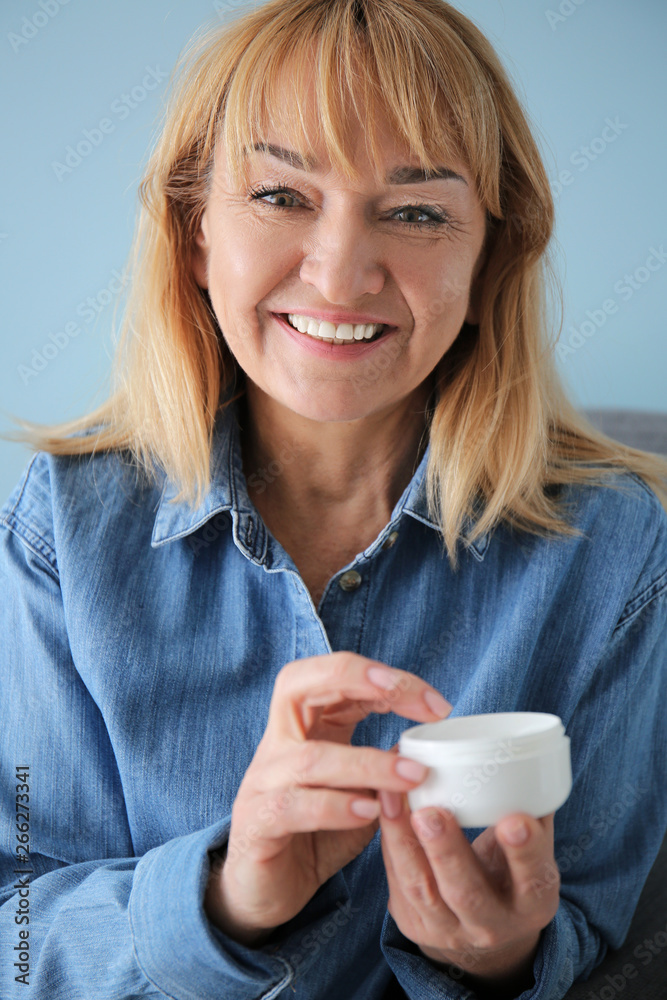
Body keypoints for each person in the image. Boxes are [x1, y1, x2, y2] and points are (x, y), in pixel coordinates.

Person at [1, 1, 666, 997]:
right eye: (279, 194)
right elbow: (14, 933)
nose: (341, 272)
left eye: (415, 211)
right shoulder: (62, 524)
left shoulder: (616, 544)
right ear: (194, 233)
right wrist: (222, 900)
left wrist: (497, 957)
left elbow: (599, 929)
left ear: (490, 254)